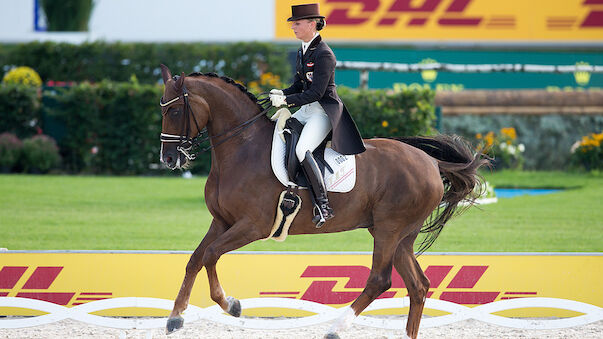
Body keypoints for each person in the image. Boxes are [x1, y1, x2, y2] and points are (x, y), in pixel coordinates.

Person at [270, 3, 365, 227]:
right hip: (306, 109)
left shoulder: (324, 54)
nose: (293, 27)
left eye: (297, 23)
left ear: (312, 24)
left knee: (303, 149)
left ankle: (323, 205)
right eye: (292, 23)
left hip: (323, 112)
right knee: (276, 131)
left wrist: (286, 101)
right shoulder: (303, 49)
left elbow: (316, 92)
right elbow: (298, 85)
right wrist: (280, 93)